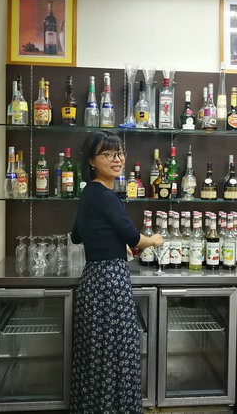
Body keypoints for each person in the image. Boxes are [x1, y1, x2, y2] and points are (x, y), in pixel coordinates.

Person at [70, 130, 163, 414]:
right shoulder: (107, 196)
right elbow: (134, 237)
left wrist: (114, 244)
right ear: (91, 160)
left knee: (96, 355)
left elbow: (77, 235)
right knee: (117, 354)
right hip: (111, 282)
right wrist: (154, 240)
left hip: (92, 279)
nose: (117, 159)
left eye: (119, 153)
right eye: (108, 154)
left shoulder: (89, 192)